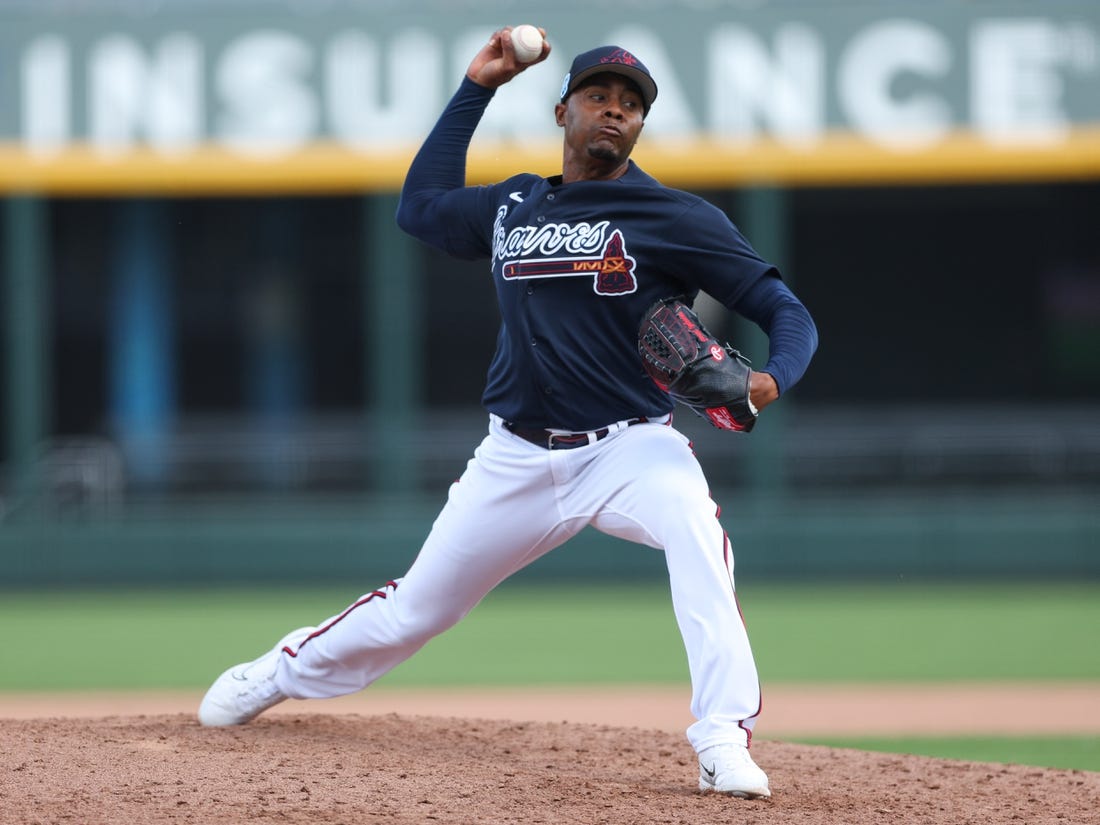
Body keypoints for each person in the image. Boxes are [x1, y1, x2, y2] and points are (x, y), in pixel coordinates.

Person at [198, 28, 818, 799]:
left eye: (630, 105)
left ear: (640, 127)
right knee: (414, 612)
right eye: (599, 96)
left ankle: (722, 735)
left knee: (698, 535)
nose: (614, 113)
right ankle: (278, 671)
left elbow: (784, 308)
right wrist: (477, 86)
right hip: (515, 456)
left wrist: (770, 381)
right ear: (563, 111)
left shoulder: (673, 217)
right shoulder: (513, 203)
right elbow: (419, 209)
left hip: (629, 448)